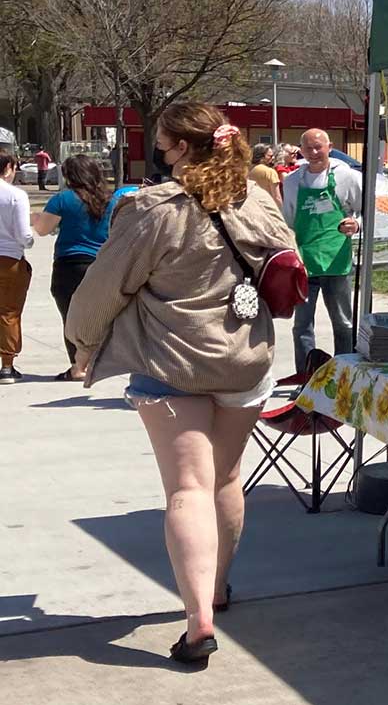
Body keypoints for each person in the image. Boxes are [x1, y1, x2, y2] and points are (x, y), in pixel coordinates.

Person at [65, 103, 297, 666]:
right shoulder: (257, 201)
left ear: (178, 149)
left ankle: (198, 622)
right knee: (226, 477)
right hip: (245, 358)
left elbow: (106, 285)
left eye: (162, 146)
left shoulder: (153, 209)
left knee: (186, 489)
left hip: (171, 360)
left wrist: (82, 342)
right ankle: (217, 588)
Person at [282, 129, 364, 373]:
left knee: (343, 323)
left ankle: (345, 374)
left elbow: (365, 210)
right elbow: (287, 221)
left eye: (319, 147)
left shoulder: (346, 177)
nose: (314, 152)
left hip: (336, 261)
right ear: (301, 150)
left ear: (330, 147)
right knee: (302, 325)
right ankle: (307, 377)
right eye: (309, 148)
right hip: (304, 263)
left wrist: (356, 224)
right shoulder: (292, 181)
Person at [32, 155, 119, 379]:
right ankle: (102, 362)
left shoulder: (62, 200)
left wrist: (35, 219)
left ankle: (78, 366)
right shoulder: (110, 200)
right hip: (102, 264)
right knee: (101, 316)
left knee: (70, 318)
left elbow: (42, 229)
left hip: (69, 264)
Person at [0, 154, 30, 381]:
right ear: (8, 168)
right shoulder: (15, 195)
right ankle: (7, 365)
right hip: (8, 257)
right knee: (8, 312)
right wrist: (30, 240)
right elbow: (23, 233)